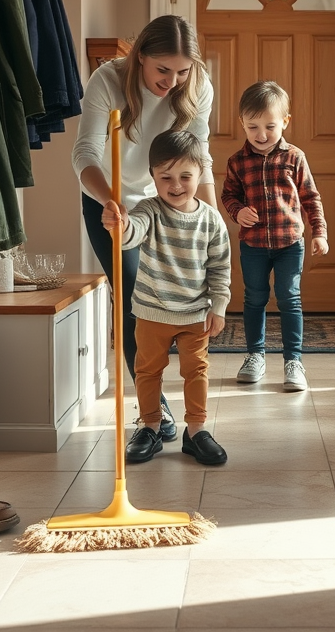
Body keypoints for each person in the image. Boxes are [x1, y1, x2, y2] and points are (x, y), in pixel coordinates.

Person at [72, 15, 215, 443]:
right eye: (163, 70)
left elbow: (200, 154)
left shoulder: (198, 85)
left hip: (168, 199)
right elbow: (84, 154)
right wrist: (113, 202)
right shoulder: (108, 80)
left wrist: (208, 217)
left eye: (183, 70)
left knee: (179, 297)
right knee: (137, 302)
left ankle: (183, 411)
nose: (173, 81)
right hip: (109, 199)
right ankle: (155, 413)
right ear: (140, 59)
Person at [101, 130, 231, 465]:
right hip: (152, 311)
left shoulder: (211, 220)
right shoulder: (149, 210)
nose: (175, 185)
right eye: (165, 177)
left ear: (200, 174)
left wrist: (218, 306)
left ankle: (197, 431)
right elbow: (132, 235)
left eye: (185, 176)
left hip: (195, 314)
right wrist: (120, 225)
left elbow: (220, 268)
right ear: (153, 177)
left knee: (196, 370)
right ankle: (150, 426)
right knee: (147, 371)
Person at [221, 81, 328, 392]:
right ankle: (255, 355)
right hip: (252, 245)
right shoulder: (237, 162)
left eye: (269, 125)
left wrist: (319, 232)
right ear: (241, 123)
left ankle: (294, 361)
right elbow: (228, 195)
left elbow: (311, 197)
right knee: (254, 298)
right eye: (252, 126)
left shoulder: (295, 157)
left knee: (289, 298)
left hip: (289, 244)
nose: (262, 134)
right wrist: (238, 211)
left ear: (285, 121)